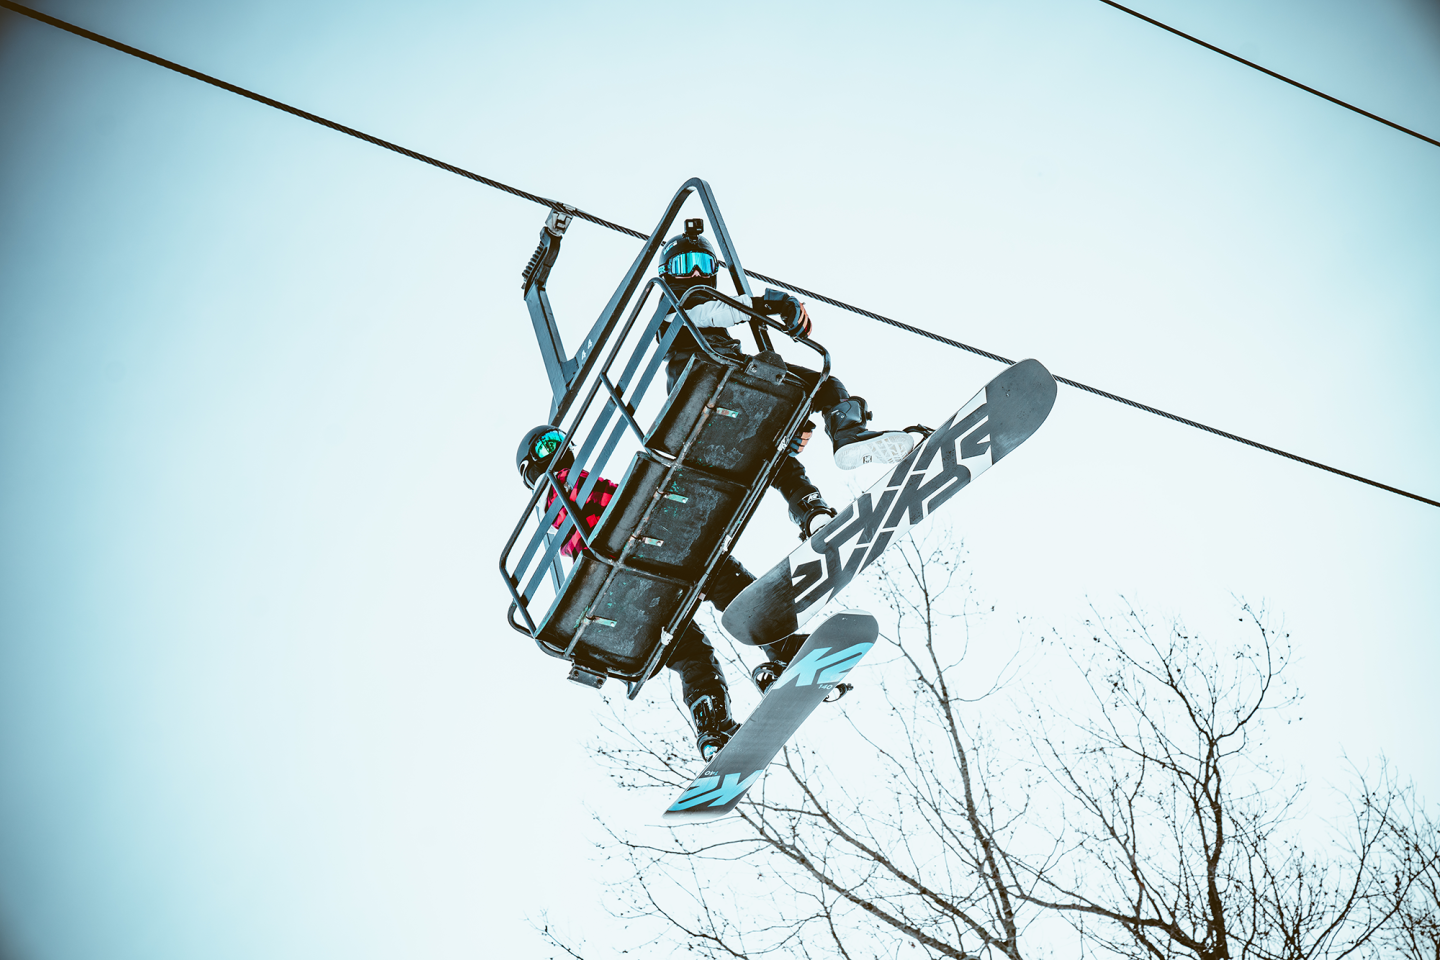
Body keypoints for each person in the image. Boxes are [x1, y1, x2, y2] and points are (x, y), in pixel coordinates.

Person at [516, 425, 809, 760]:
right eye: (545, 447)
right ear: (531, 468)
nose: (557, 448)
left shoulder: (553, 520)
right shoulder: (564, 483)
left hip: (627, 594)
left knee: (690, 651)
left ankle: (712, 725)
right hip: (644, 550)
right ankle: (784, 648)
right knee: (721, 575)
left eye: (558, 440)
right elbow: (622, 503)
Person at [657, 218, 917, 540]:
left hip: (726, 393)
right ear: (668, 273)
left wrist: (789, 420)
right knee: (824, 385)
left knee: (773, 453)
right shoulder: (674, 308)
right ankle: (848, 431)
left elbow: (717, 313)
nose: (695, 274)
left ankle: (812, 512)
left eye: (703, 264)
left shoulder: (703, 316)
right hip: (712, 385)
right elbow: (717, 310)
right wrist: (775, 303)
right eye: (685, 264)